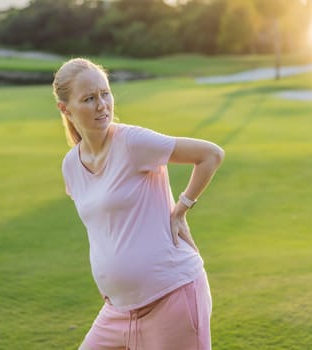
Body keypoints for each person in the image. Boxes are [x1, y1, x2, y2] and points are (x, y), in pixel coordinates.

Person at [53, 57, 224, 350]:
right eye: (89, 98)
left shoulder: (132, 143)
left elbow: (211, 154)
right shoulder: (71, 166)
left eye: (105, 93)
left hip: (172, 297)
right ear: (65, 109)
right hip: (118, 311)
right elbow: (105, 227)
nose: (102, 105)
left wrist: (182, 207)